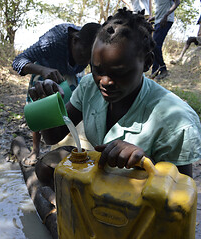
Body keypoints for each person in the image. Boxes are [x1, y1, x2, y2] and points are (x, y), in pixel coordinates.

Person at [29, 8, 201, 178]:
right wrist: (46, 104)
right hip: (105, 183)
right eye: (97, 69)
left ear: (147, 63)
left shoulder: (176, 120)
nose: (105, 82)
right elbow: (54, 136)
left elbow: (180, 194)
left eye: (119, 72)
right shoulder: (90, 86)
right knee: (45, 168)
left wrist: (145, 162)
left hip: (142, 197)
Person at [12, 22, 101, 166]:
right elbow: (18, 61)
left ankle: (67, 142)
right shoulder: (53, 40)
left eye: (89, 59)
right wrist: (42, 70)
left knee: (72, 108)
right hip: (45, 73)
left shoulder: (94, 44)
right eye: (83, 54)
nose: (85, 61)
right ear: (75, 40)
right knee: (40, 107)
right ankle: (36, 149)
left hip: (72, 75)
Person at [149, 0, 180, 80]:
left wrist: (166, 15)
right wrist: (154, 18)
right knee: (154, 46)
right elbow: (162, 9)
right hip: (158, 21)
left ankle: (163, 69)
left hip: (165, 21)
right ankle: (154, 72)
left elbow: (177, 2)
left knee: (155, 45)